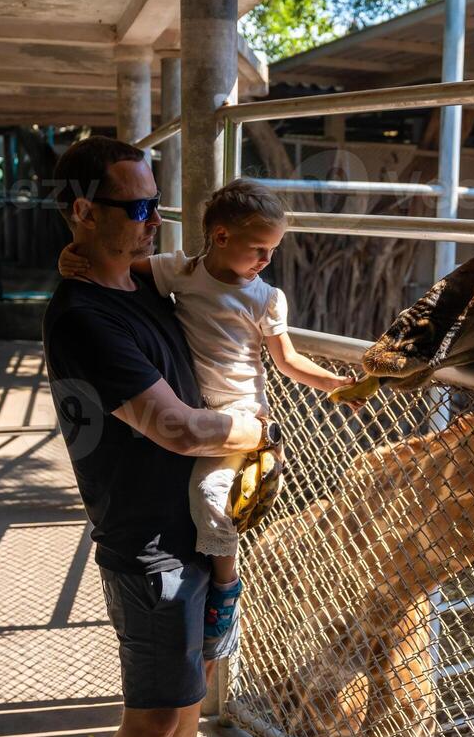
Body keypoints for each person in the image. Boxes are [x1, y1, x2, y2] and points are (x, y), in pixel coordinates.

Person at [41, 136, 272, 737]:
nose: (151, 223)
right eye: (136, 208)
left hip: (200, 534)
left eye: (155, 205)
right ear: (81, 211)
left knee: (188, 700)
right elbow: (175, 429)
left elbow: (210, 271)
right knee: (149, 718)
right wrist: (249, 428)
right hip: (150, 548)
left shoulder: (135, 279)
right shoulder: (84, 318)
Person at [59, 178, 360, 653]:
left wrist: (335, 384)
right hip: (194, 406)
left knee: (208, 494)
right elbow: (111, 268)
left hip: (240, 412)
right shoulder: (178, 271)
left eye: (273, 250)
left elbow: (287, 361)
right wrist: (68, 257)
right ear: (221, 237)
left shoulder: (266, 297)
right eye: (259, 248)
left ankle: (227, 589)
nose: (266, 261)